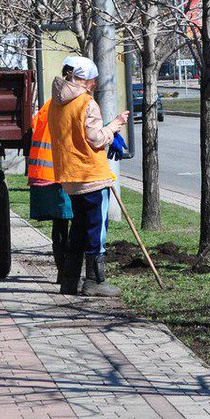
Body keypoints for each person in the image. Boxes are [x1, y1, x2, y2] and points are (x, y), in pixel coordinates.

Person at [48, 55, 129, 297]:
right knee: (96, 229)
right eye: (92, 80)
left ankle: (69, 280)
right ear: (83, 80)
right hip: (90, 174)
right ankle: (95, 281)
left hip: (70, 175)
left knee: (79, 227)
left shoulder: (56, 103)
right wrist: (114, 126)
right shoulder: (86, 103)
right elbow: (94, 139)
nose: (94, 84)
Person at [27, 97, 74, 281]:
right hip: (65, 174)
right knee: (74, 225)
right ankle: (69, 273)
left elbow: (34, 125)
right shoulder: (72, 105)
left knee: (60, 225)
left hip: (46, 174)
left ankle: (62, 271)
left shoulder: (49, 105)